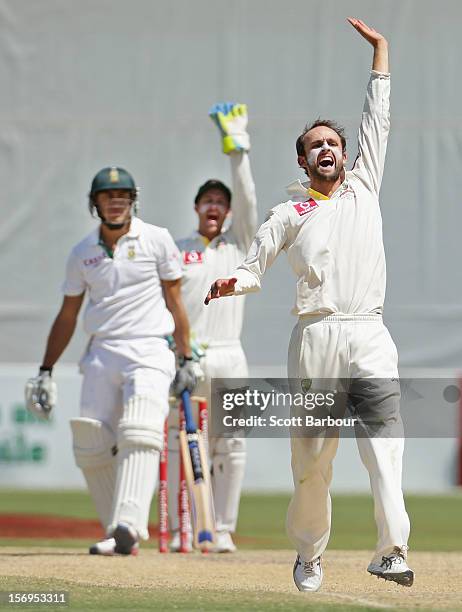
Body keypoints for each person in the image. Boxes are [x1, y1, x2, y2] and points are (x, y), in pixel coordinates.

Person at [205, 18, 413, 589]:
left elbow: (379, 121)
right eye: (315, 145)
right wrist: (234, 284)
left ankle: (392, 550)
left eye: (333, 143)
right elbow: (256, 262)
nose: (326, 149)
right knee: (313, 461)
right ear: (303, 162)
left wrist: (381, 55)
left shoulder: (365, 183)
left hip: (368, 333)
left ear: (346, 155)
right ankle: (310, 552)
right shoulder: (289, 212)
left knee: (384, 446)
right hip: (316, 339)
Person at [25, 166, 195, 555]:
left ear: (133, 200)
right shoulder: (82, 253)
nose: (115, 202)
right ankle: (116, 534)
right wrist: (45, 370)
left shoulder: (156, 239)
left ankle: (128, 526)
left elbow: (176, 302)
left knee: (139, 428)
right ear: (95, 203)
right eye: (107, 197)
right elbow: (67, 315)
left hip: (151, 347)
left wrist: (186, 356)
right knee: (90, 441)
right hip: (102, 351)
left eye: (122, 196)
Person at [168, 103, 257, 552]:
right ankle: (184, 527)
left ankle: (222, 528)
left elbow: (248, 199)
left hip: (229, 353)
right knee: (185, 443)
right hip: (188, 357)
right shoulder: (178, 249)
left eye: (222, 204)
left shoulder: (239, 244)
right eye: (209, 203)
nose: (216, 209)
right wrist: (174, 346)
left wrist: (238, 150)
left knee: (232, 443)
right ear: (197, 207)